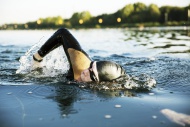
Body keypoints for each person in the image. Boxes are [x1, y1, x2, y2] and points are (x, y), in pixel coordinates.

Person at [33, 28, 126, 82]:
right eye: (91, 67)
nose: (85, 72)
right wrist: (37, 58)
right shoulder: (81, 65)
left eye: (92, 74)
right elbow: (62, 33)